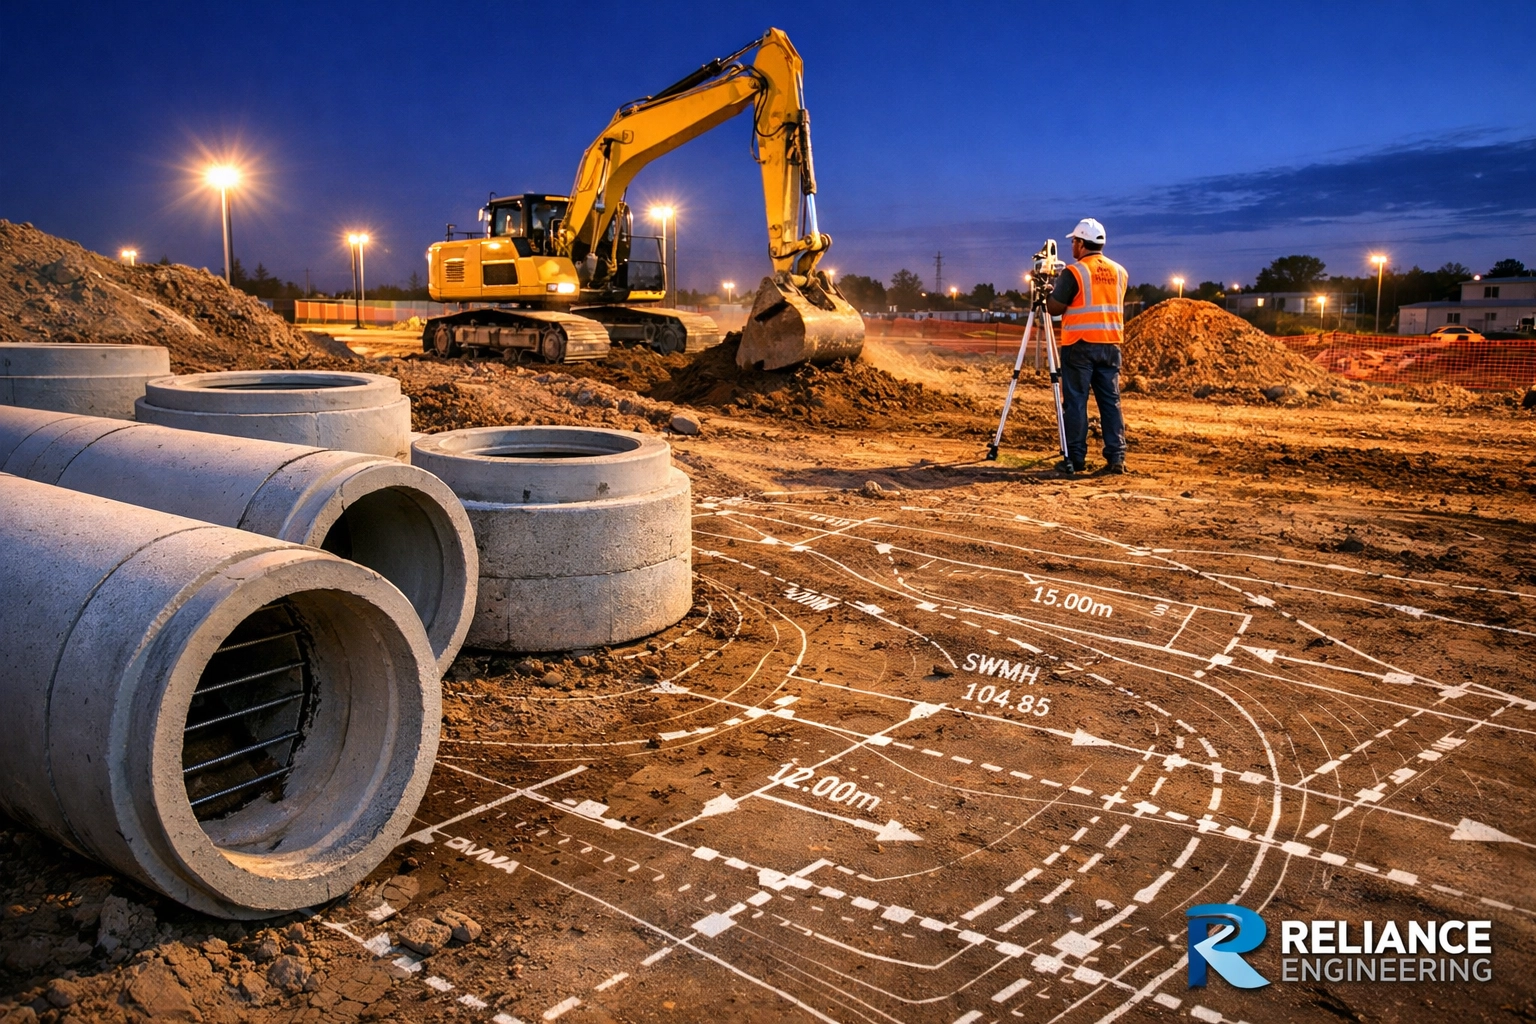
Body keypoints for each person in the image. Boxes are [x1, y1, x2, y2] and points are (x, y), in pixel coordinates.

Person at [1045, 218, 1129, 476]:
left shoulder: (1075, 271)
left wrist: (1050, 291)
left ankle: (1076, 458)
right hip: (1111, 344)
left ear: (1081, 243)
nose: (1072, 245)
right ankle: (1116, 457)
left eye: (1073, 241)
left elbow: (1055, 307)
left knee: (1076, 403)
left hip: (1080, 344)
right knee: (1110, 402)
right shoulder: (1119, 271)